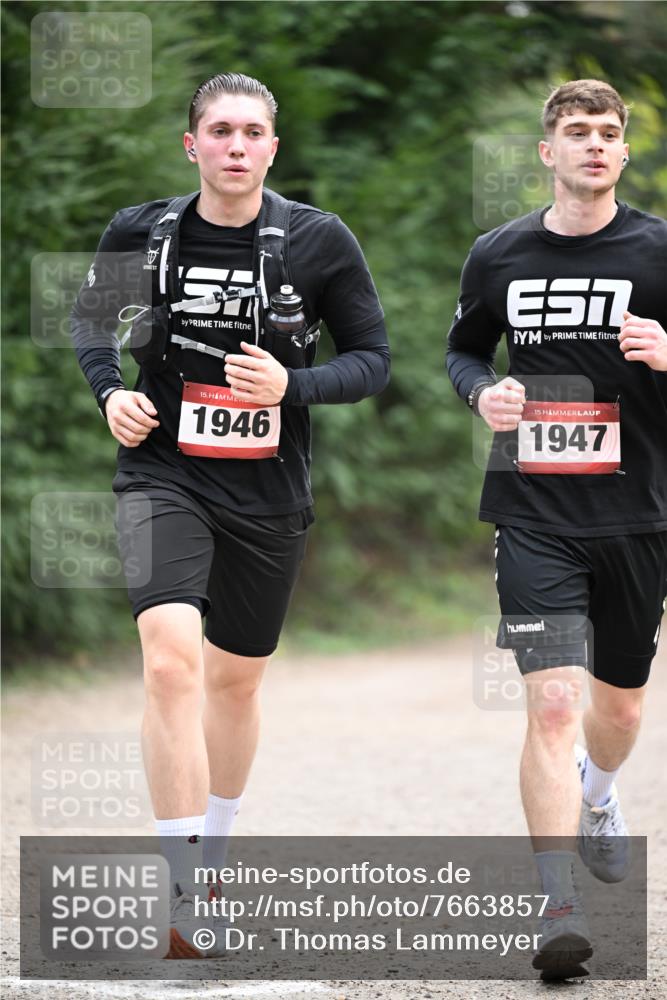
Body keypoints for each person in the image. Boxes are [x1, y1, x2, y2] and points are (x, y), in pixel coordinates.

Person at [72, 72, 389, 958]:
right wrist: (109, 396)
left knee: (235, 681)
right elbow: (90, 322)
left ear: (272, 149)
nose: (236, 145)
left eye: (252, 131)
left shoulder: (319, 242)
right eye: (219, 130)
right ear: (193, 144)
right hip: (161, 472)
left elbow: (372, 360)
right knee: (171, 663)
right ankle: (184, 891)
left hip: (266, 489)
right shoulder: (143, 229)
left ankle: (215, 843)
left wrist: (297, 385)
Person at [447, 79, 666, 979]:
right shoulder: (499, 253)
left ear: (622, 153)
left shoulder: (658, 252)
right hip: (533, 511)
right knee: (551, 704)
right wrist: (481, 392)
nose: (593, 145)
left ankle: (601, 793)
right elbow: (464, 348)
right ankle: (556, 912)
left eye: (608, 134)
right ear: (547, 152)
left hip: (637, 515)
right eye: (576, 132)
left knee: (615, 709)